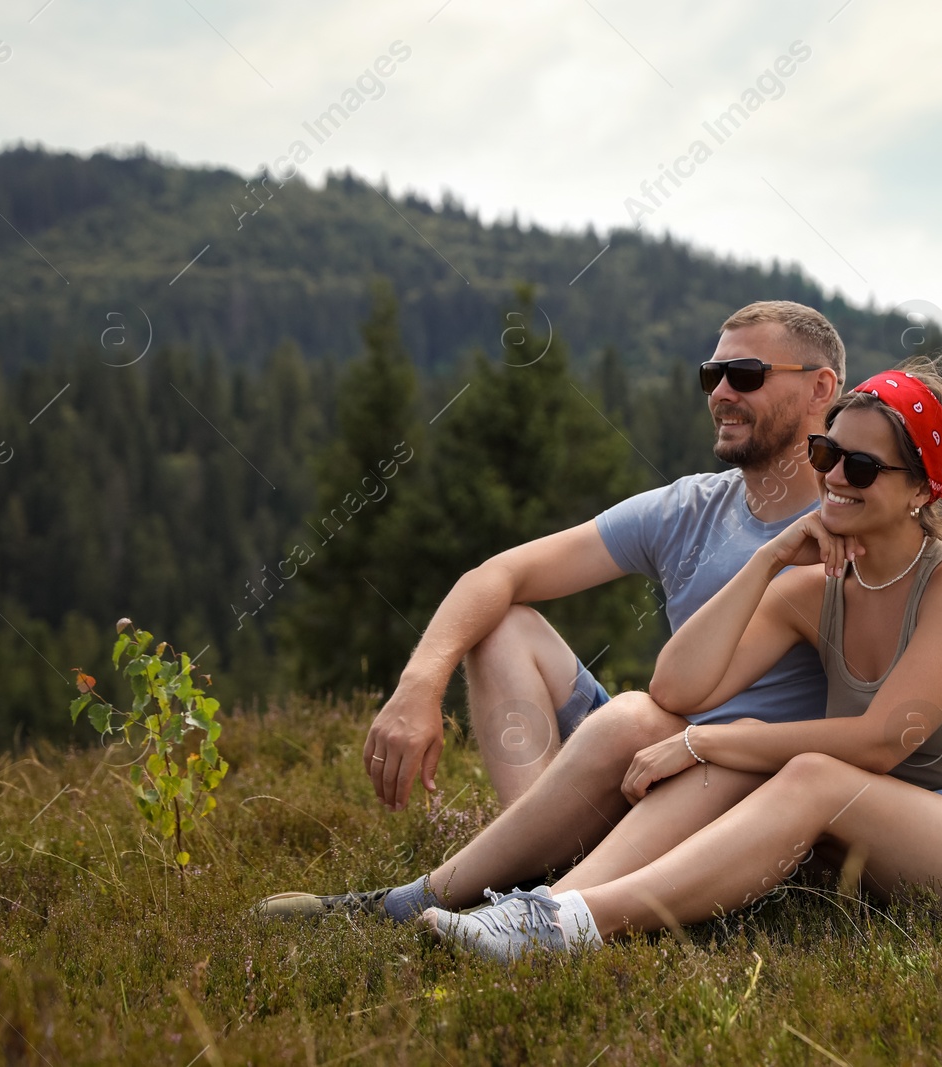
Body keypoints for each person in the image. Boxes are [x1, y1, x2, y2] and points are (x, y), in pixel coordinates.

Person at [418, 360, 942, 960]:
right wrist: (765, 562)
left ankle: (562, 925)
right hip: (897, 826)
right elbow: (677, 684)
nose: (833, 477)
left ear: (920, 491)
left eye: (862, 467)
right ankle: (539, 906)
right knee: (767, 768)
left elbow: (884, 740)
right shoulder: (812, 589)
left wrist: (711, 740)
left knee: (807, 772)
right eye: (827, 453)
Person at [257, 301, 846, 922]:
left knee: (637, 717)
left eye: (746, 374)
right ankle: (531, 878)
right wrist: (418, 685)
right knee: (504, 625)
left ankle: (422, 901)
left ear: (821, 388)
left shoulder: (856, 528)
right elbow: (499, 574)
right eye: (711, 375)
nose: (722, 393)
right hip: (648, 766)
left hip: (746, 786)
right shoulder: (689, 508)